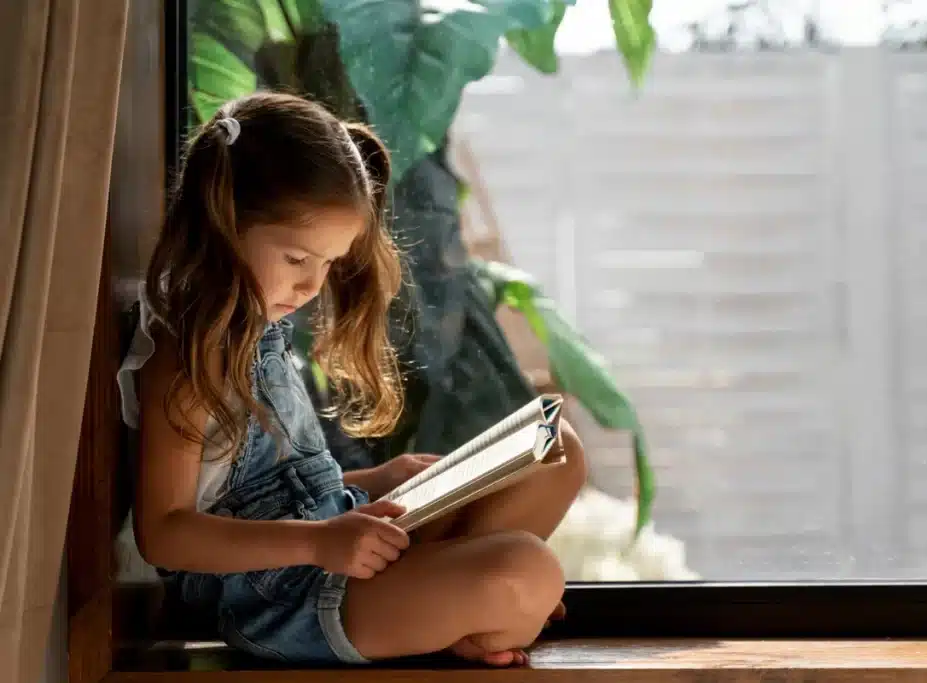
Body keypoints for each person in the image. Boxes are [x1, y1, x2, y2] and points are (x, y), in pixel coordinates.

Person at [115, 91, 587, 667]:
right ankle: (470, 608)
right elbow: (165, 533)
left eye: (330, 263)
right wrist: (319, 542)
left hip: (336, 535)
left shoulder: (257, 328)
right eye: (296, 259)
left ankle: (459, 601)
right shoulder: (187, 362)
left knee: (553, 446)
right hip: (283, 599)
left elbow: (272, 485)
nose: (313, 286)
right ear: (223, 221)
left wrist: (379, 478)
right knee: (527, 570)